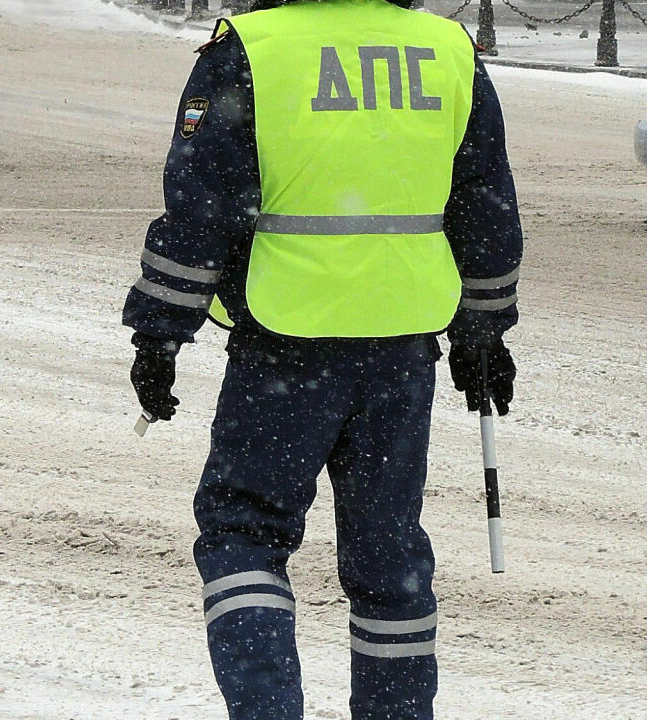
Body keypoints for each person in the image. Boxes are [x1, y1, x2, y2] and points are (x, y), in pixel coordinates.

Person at [122, 0, 522, 716]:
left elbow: (201, 203)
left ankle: (268, 707)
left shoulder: (253, 48)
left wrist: (160, 332)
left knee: (244, 531)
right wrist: (484, 331)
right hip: (403, 344)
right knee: (388, 560)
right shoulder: (447, 49)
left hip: (287, 343)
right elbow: (484, 199)